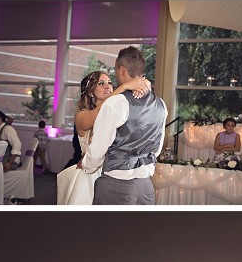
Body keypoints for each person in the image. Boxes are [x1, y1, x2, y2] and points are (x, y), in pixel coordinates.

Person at [81, 47, 167, 205]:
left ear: (121, 70)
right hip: (146, 187)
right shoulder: (160, 104)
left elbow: (98, 150)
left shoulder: (115, 103)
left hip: (116, 186)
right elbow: (157, 149)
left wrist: (86, 166)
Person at [57, 70, 150, 205]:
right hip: (89, 175)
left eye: (110, 83)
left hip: (114, 174)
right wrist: (123, 87)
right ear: (90, 92)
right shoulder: (82, 116)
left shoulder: (114, 114)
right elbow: (99, 112)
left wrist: (143, 84)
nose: (108, 87)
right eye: (101, 83)